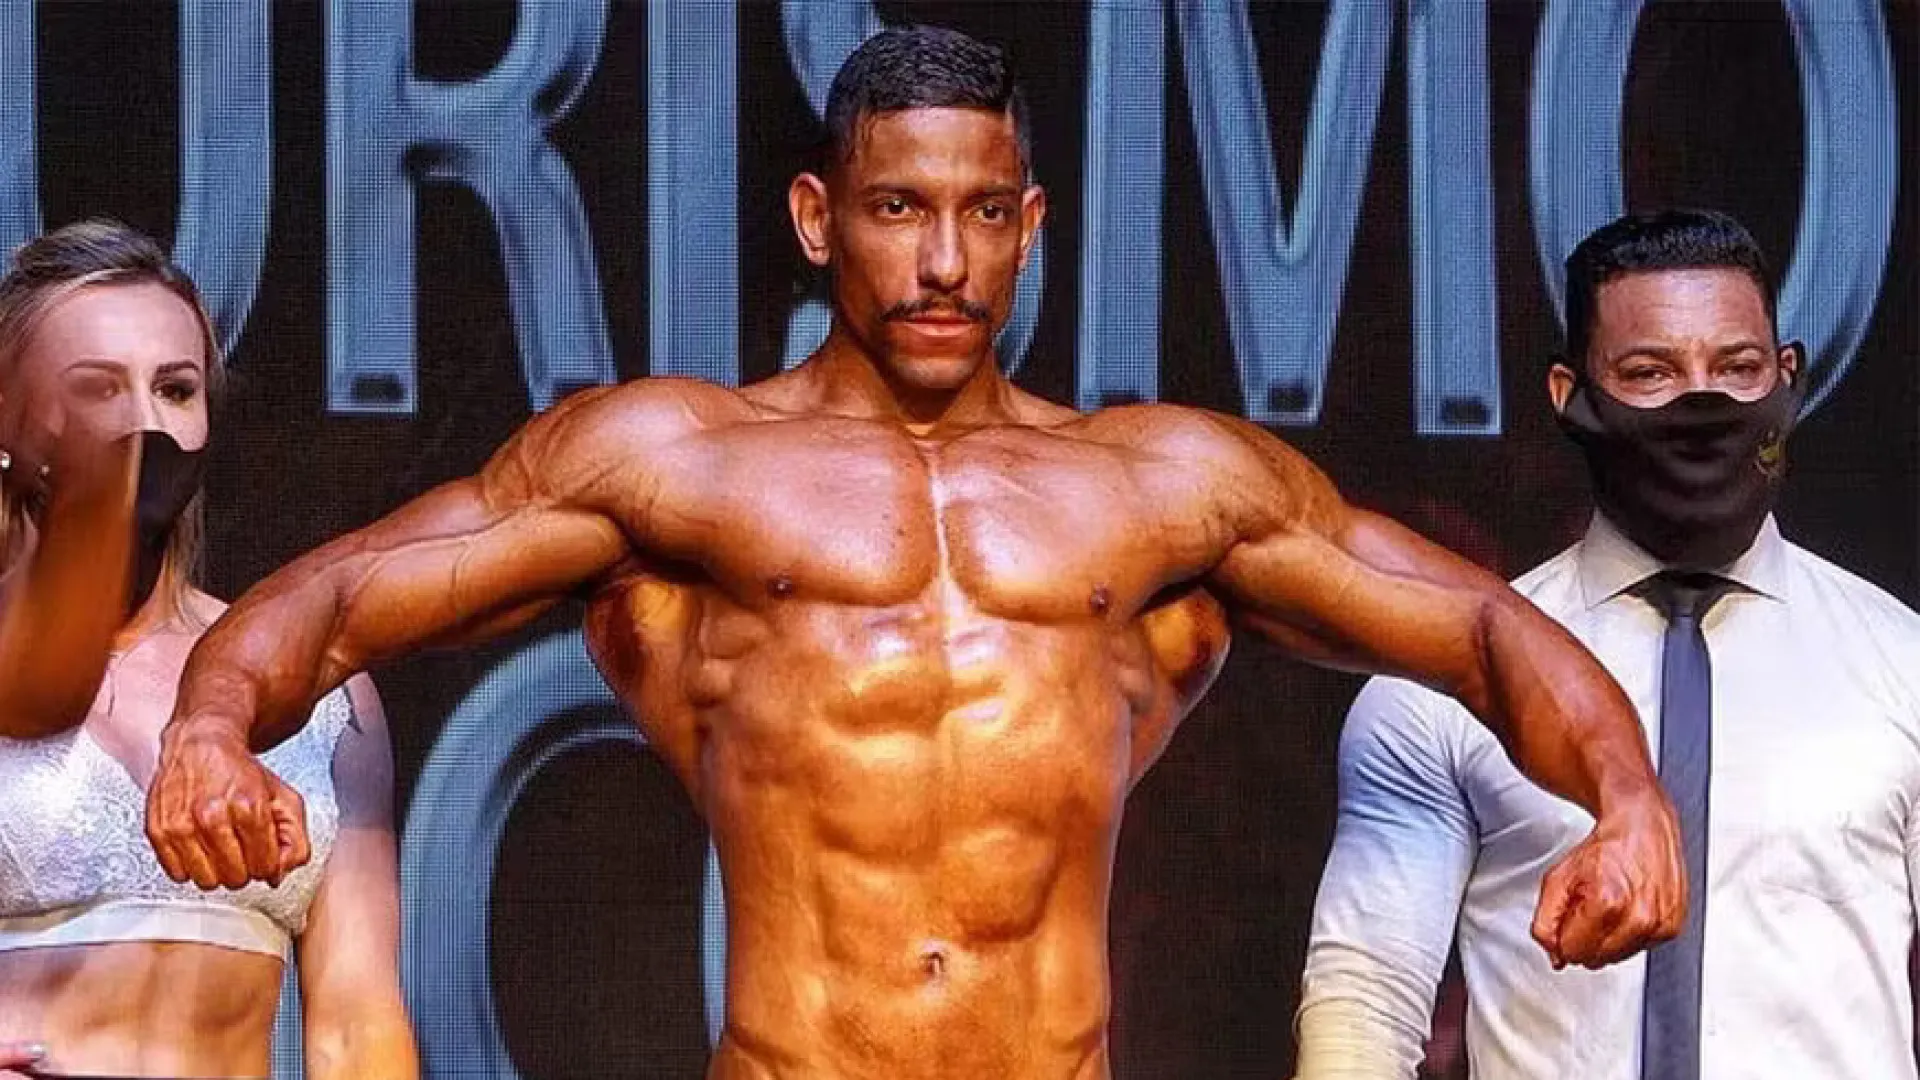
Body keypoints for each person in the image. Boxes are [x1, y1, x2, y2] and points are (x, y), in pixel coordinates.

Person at [148, 27, 1681, 1079]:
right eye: (897, 208)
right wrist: (212, 726)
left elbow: (1480, 629)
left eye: (981, 213)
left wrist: (1626, 793)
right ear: (819, 218)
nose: (944, 262)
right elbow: (340, 596)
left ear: (1031, 224)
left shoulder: (1163, 484)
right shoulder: (675, 463)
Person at [1296, 208, 1920, 1080]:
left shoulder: (1903, 665)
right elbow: (1367, 1000)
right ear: (1571, 395)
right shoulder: (1442, 685)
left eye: (1737, 368)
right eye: (1650, 373)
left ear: (1786, 379)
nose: (1702, 401)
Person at [0, 221, 419, 1079]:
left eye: (176, 389)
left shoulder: (316, 692)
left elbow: (356, 1023)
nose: (145, 422)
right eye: (98, 388)